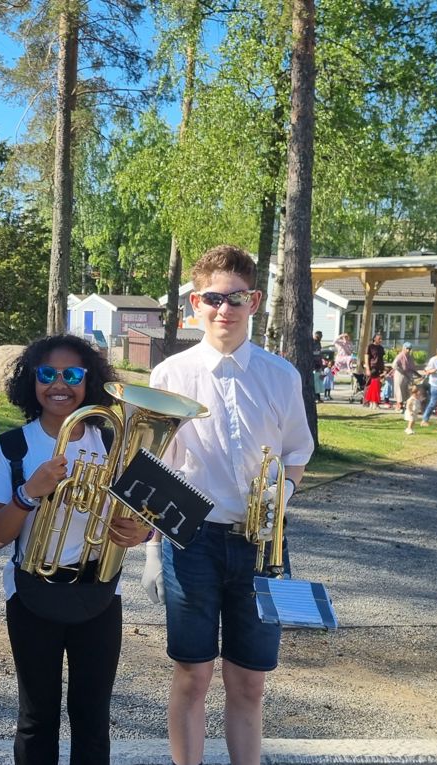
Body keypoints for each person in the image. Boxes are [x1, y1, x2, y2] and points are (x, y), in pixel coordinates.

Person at [141, 244, 314, 765]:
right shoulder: (169, 375)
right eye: (213, 298)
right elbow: (156, 469)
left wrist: (282, 494)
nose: (224, 309)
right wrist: (152, 550)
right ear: (195, 303)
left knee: (250, 683)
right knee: (192, 676)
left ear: (254, 302)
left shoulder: (281, 375)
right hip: (189, 541)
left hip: (262, 543)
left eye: (236, 298)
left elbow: (296, 453)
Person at [0, 334, 149, 765]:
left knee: (92, 718)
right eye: (47, 374)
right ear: (31, 381)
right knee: (36, 718)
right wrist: (29, 492)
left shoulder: (114, 443)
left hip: (99, 592)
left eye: (72, 375)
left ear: (89, 381)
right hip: (31, 594)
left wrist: (139, 533)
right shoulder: (13, 447)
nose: (59, 384)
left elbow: (148, 520)